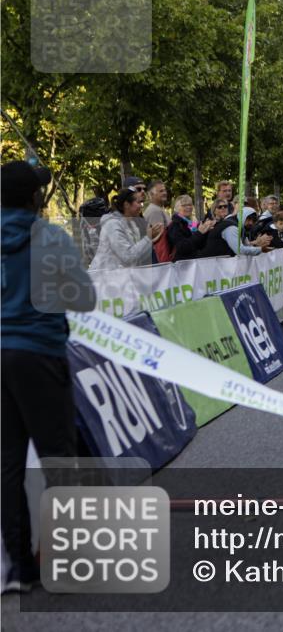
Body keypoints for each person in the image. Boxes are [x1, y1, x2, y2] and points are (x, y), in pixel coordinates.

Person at [1, 161, 96, 593]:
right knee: (59, 457)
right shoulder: (50, 236)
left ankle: (21, 569)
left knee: (7, 466)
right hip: (39, 353)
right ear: (32, 198)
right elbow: (85, 298)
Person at [89, 187, 163, 270]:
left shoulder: (132, 224)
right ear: (126, 204)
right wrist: (148, 238)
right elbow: (127, 257)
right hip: (104, 279)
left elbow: (137, 257)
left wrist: (152, 240)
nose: (141, 206)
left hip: (121, 279)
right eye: (138, 202)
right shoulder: (113, 225)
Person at [198, 207, 271, 257]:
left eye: (253, 220)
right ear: (243, 216)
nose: (251, 223)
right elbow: (240, 250)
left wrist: (258, 244)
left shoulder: (241, 228)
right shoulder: (232, 228)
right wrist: (260, 249)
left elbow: (246, 245)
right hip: (209, 264)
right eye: (248, 219)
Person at [167, 195, 214, 261]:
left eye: (190, 204)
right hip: (181, 266)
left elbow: (199, 244)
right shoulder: (175, 225)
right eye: (184, 205)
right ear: (177, 208)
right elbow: (183, 248)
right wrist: (199, 233)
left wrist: (205, 231)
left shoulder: (191, 222)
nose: (188, 207)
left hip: (192, 263)